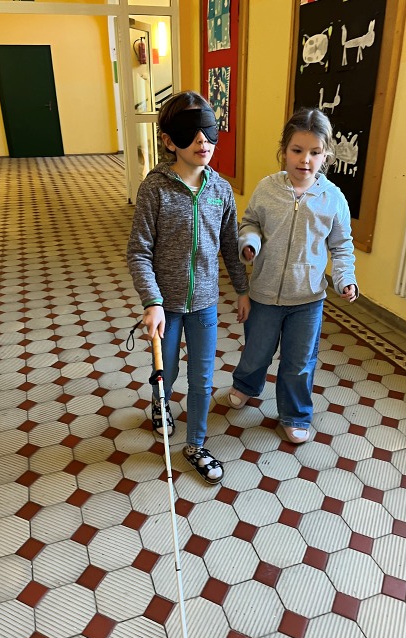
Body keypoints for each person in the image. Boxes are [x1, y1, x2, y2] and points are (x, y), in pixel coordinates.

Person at [127, 90, 250, 484]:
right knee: (166, 369)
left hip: (205, 305)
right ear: (169, 140)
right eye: (191, 131)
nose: (202, 140)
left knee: (202, 378)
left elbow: (230, 246)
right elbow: (139, 251)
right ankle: (160, 402)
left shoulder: (221, 191)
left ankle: (196, 444)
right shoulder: (155, 189)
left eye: (209, 130)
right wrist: (152, 301)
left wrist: (242, 290)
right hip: (166, 306)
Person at [227, 107, 358, 444]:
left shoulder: (333, 198)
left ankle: (295, 414)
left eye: (315, 152)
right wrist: (249, 243)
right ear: (284, 150)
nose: (305, 160)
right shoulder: (267, 188)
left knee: (300, 362)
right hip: (264, 293)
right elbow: (251, 222)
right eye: (297, 150)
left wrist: (345, 278)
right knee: (256, 351)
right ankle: (246, 385)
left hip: (308, 299)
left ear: (326, 155)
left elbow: (342, 245)